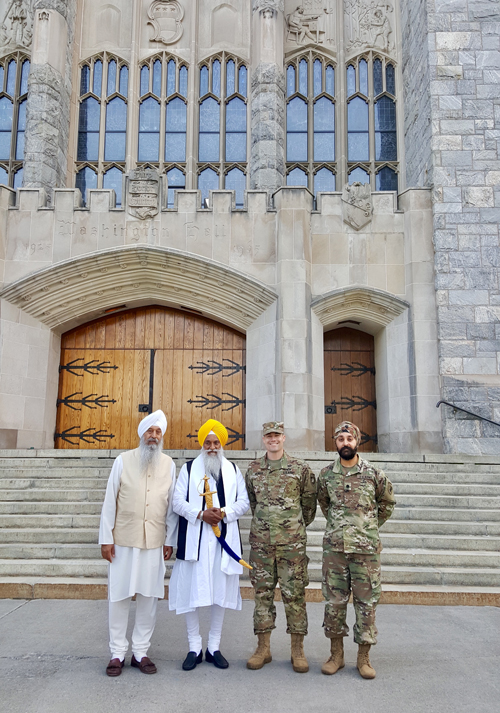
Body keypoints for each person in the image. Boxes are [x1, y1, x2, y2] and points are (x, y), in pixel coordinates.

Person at [99, 409, 177, 677]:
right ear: (141, 433)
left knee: (148, 598)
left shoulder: (169, 464)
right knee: (119, 597)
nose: (153, 436)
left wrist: (169, 539)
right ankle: (117, 653)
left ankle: (140, 652)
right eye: (150, 431)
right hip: (122, 540)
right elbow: (110, 501)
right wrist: (105, 538)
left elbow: (170, 507)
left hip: (154, 542)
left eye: (158, 432)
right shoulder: (122, 460)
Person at [169, 418, 250, 670]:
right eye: (207, 442)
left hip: (223, 542)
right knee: (190, 592)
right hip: (195, 540)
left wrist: (223, 513)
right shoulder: (188, 468)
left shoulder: (233, 469)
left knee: (220, 592)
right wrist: (201, 514)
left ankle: (213, 647)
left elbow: (244, 502)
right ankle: (194, 647)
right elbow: (177, 502)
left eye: (216, 442)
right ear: (201, 444)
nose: (212, 446)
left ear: (222, 444)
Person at [318, 421, 395, 679]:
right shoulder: (326, 474)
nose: (345, 443)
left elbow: (387, 503)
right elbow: (324, 504)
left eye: (349, 439)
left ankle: (364, 658)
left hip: (366, 552)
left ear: (357, 441)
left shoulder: (374, 474)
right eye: (340, 439)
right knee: (334, 603)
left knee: (366, 604)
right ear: (336, 443)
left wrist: (368, 525)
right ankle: (336, 655)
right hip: (335, 551)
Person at [245, 422, 317, 673]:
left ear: (284, 438)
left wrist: (292, 528)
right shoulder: (253, 469)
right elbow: (253, 502)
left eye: (277, 435)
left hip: (292, 546)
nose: (273, 439)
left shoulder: (300, 469)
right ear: (263, 439)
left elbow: (309, 505)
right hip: (262, 545)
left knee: (294, 595)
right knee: (262, 595)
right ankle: (262, 648)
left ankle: (297, 649)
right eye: (268, 436)